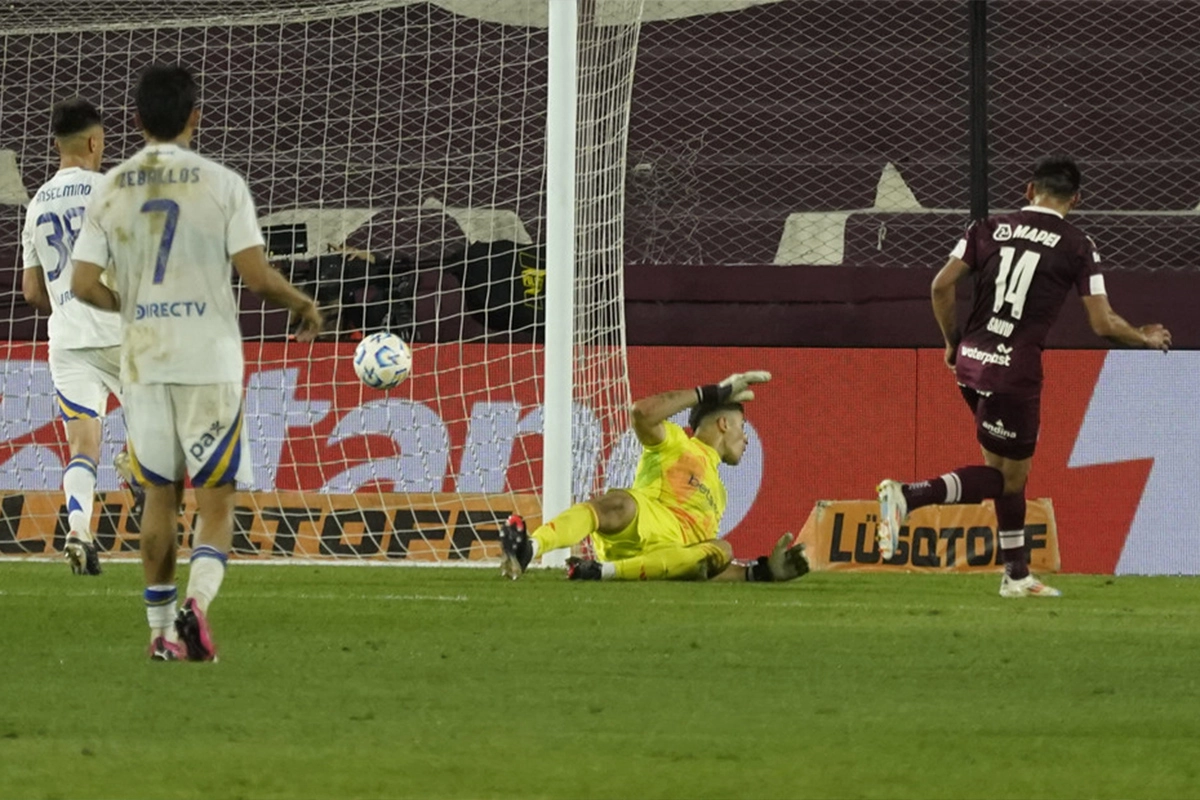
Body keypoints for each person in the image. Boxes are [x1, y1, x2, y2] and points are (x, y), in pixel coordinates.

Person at [71, 64, 323, 661]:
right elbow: (255, 276)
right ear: (194, 117)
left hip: (143, 360)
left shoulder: (109, 188)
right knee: (216, 500)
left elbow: (82, 284)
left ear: (135, 121)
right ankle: (198, 607)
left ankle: (160, 633)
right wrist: (301, 301)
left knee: (159, 495)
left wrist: (127, 306)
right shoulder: (222, 183)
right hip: (207, 360)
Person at [875, 155, 1171, 598]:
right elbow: (1103, 322)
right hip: (1014, 373)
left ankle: (1016, 575)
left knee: (1004, 471)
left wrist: (952, 342)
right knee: (1008, 479)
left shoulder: (987, 228)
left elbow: (940, 285)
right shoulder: (1076, 244)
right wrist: (1143, 337)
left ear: (1030, 190)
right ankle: (908, 496)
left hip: (971, 362)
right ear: (1076, 199)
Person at [499, 371, 809, 583]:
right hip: (638, 524)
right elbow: (642, 413)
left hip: (667, 558)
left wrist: (763, 572)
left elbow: (702, 565)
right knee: (618, 501)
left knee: (721, 549)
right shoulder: (676, 442)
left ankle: (600, 572)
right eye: (743, 429)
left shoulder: (721, 494)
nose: (747, 439)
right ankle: (530, 548)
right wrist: (711, 393)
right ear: (725, 424)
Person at [21, 97, 121, 577]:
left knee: (84, 446)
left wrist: (63, 303)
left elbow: (30, 291)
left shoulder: (36, 204)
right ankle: (139, 462)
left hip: (66, 336)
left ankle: (79, 528)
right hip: (121, 329)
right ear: (93, 142)